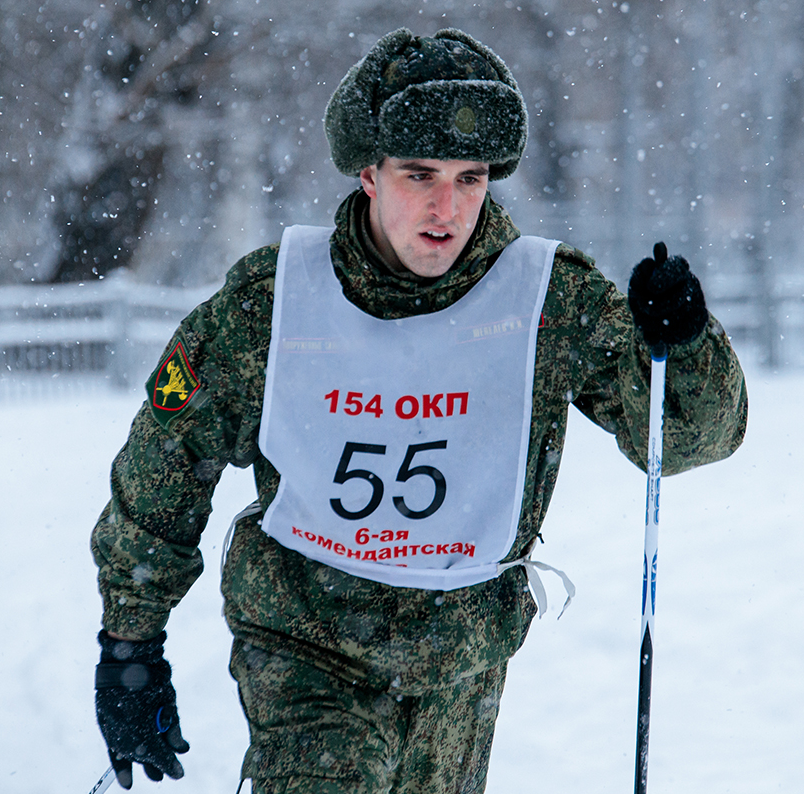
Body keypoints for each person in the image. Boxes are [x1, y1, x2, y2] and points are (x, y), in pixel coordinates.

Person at [91, 27, 748, 794]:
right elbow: (167, 457)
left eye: (471, 179)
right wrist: (129, 641)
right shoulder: (273, 303)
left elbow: (688, 438)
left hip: (463, 659)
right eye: (419, 175)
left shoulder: (544, 301)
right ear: (368, 173)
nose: (447, 208)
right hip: (306, 648)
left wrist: (686, 343)